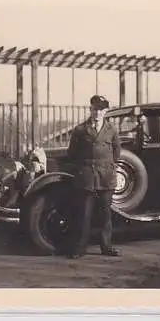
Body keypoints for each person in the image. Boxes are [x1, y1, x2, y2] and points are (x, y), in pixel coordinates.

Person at [65, 95, 122, 259]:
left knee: (106, 215)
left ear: (105, 111)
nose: (97, 113)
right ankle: (79, 248)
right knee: (84, 215)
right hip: (87, 177)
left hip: (106, 177)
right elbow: (72, 153)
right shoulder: (80, 130)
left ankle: (107, 247)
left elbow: (117, 151)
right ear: (90, 110)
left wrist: (109, 165)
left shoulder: (111, 130)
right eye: (94, 109)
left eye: (101, 109)